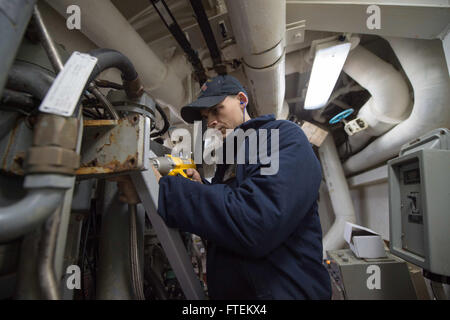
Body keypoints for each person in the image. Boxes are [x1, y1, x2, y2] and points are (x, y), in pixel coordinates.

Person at [121, 75, 331, 299]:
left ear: (242, 100)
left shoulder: (282, 137)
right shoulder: (230, 161)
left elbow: (255, 220)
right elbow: (232, 212)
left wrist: (164, 190)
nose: (211, 121)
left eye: (216, 109)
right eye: (205, 116)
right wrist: (203, 188)